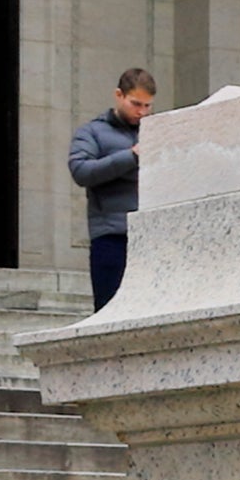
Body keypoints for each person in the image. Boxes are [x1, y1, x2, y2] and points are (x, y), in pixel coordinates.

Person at [69, 67, 156, 308]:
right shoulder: (92, 132)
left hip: (152, 234)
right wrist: (131, 156)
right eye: (136, 103)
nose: (142, 112)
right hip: (111, 236)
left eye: (148, 106)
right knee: (109, 309)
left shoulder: (155, 130)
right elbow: (81, 171)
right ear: (119, 95)